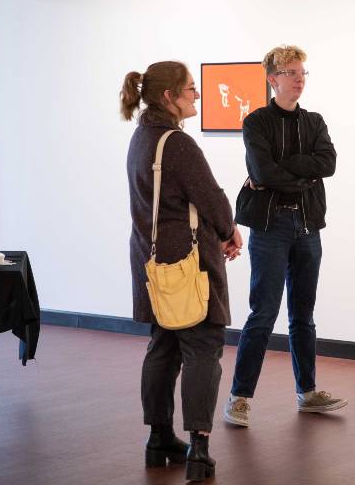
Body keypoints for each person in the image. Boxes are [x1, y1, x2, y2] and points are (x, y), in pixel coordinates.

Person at [121, 61, 243, 482]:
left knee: (164, 344)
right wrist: (229, 231)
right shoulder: (178, 144)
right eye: (191, 89)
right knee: (202, 348)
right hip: (187, 265)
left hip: (150, 262)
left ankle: (159, 439)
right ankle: (199, 449)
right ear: (168, 96)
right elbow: (211, 200)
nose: (197, 96)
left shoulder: (141, 138)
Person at [223, 44, 345, 427]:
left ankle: (307, 393)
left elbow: (329, 163)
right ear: (272, 78)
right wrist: (301, 175)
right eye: (291, 73)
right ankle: (239, 398)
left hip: (308, 227)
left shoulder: (315, 122)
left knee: (303, 315)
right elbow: (262, 173)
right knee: (263, 313)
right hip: (270, 229)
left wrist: (288, 169)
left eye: (302, 73)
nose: (299, 80)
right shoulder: (256, 122)